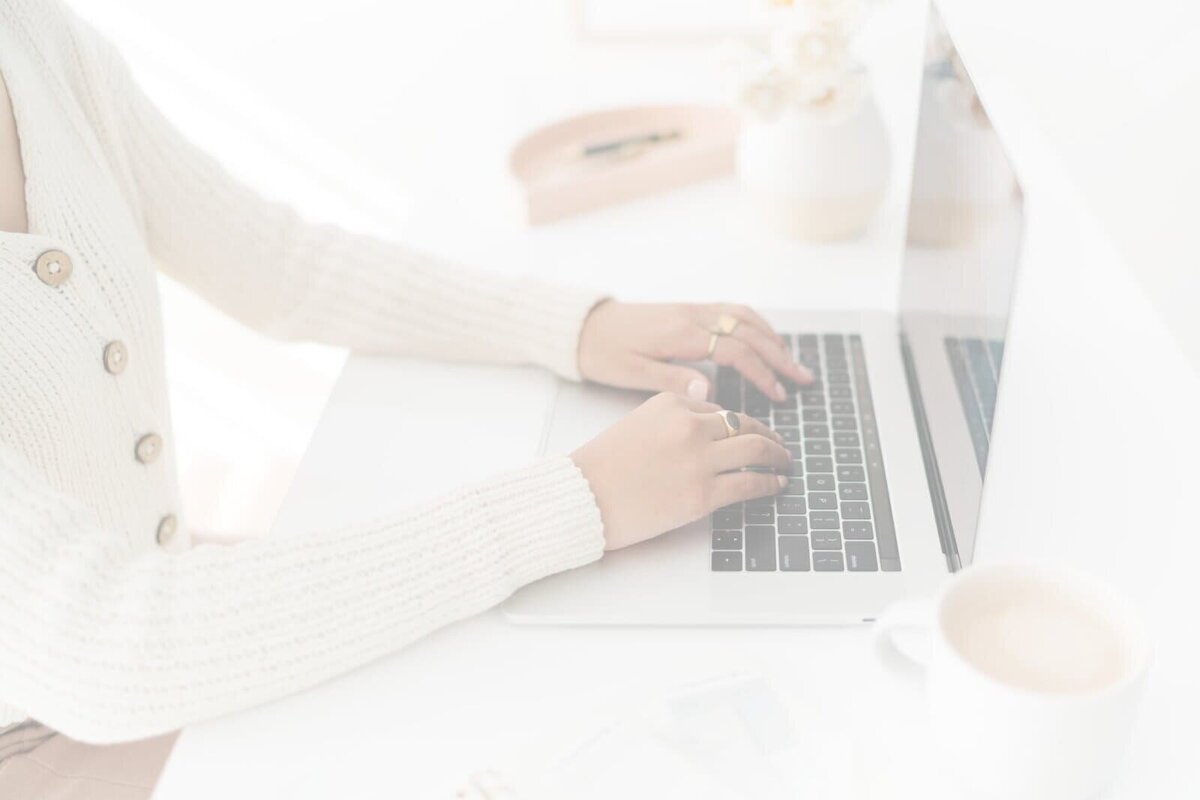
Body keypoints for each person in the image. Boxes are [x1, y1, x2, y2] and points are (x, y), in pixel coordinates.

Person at [0, 0, 810, 795]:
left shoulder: (36, 39)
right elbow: (102, 650)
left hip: (167, 614)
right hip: (47, 731)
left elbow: (276, 265)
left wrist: (574, 327)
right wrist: (580, 499)